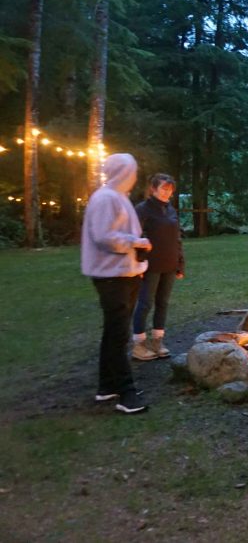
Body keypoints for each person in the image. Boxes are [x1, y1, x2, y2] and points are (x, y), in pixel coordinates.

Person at [81, 153, 151, 414]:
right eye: (132, 172)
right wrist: (137, 243)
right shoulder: (105, 198)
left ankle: (106, 386)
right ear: (122, 172)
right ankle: (126, 393)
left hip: (125, 274)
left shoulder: (119, 196)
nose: (134, 177)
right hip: (112, 276)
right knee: (119, 334)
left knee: (113, 332)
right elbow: (104, 237)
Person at [130, 173, 185, 361]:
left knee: (163, 303)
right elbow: (134, 237)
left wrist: (180, 263)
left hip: (169, 264)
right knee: (145, 303)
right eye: (163, 188)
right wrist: (138, 261)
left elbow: (176, 238)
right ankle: (138, 344)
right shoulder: (143, 210)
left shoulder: (171, 210)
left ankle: (157, 341)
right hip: (149, 265)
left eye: (170, 189)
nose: (166, 192)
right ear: (153, 189)